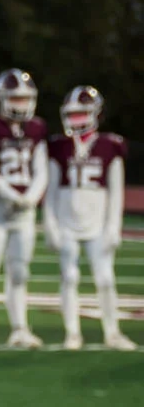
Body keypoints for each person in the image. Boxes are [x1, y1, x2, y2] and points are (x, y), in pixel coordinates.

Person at [44, 86, 135, 351]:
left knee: (106, 278)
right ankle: (72, 332)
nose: (76, 120)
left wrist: (113, 227)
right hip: (67, 222)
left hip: (97, 224)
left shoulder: (111, 146)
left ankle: (112, 332)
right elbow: (51, 190)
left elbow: (116, 191)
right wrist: (51, 223)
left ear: (96, 114)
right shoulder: (59, 146)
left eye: (82, 113)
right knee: (69, 277)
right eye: (72, 114)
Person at [0, 69, 48, 352]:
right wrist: (15, 195)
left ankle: (20, 329)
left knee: (19, 272)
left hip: (23, 213)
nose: (20, 103)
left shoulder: (37, 129)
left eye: (25, 97)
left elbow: (42, 169)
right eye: (15, 97)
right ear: (2, 98)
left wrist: (31, 197)